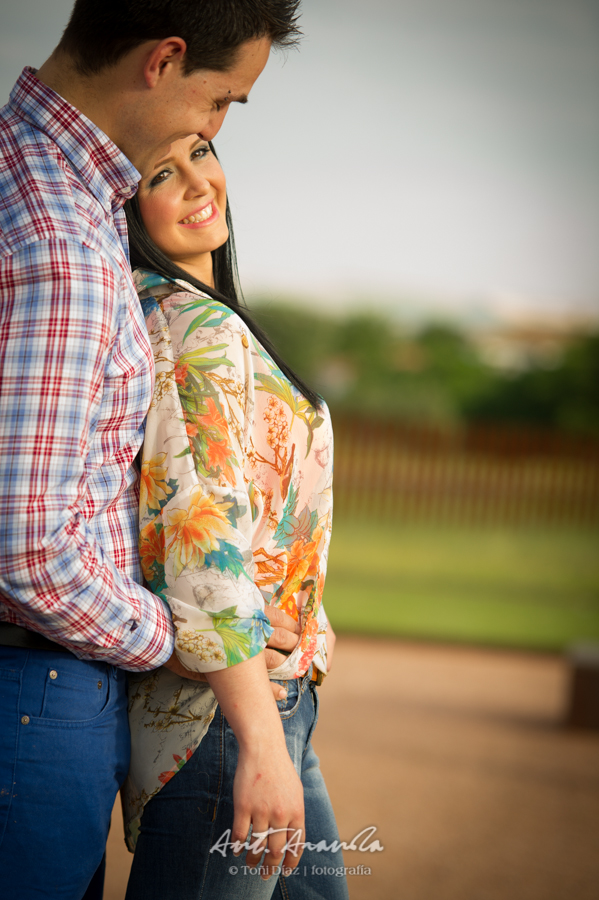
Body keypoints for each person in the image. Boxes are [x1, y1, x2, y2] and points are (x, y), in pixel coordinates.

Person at [0, 3, 303, 899]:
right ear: (164, 59)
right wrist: (180, 637)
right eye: (221, 101)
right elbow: (29, 551)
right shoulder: (62, 237)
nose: (213, 129)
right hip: (39, 684)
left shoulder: (49, 191)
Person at [120, 135, 349, 900]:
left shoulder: (203, 315)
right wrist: (257, 738)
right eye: (161, 174)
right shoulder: (191, 326)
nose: (195, 182)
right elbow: (199, 529)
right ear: (127, 205)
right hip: (223, 717)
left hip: (262, 697)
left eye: (201, 153)